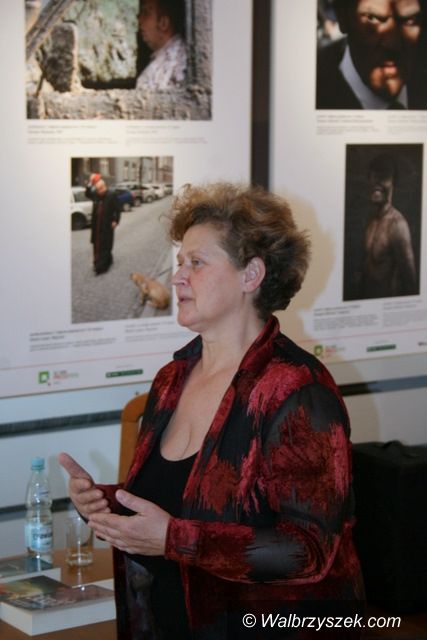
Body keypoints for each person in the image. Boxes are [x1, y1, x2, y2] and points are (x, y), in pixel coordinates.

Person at [59, 183, 365, 639]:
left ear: (251, 275)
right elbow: (181, 505)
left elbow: (308, 549)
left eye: (196, 263)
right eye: (180, 262)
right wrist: (106, 504)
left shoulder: (298, 390)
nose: (177, 277)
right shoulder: (171, 379)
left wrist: (173, 540)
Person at [316, 0, 427, 109]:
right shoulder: (315, 91)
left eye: (411, 20)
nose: (393, 44)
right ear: (342, 16)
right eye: (372, 18)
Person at [359, 154, 418, 298]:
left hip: (387, 304)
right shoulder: (370, 220)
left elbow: (410, 283)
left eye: (383, 177)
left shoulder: (397, 226)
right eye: (374, 176)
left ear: (393, 182)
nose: (376, 182)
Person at [136, 0, 187, 91]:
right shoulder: (168, 56)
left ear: (163, 23)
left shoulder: (179, 60)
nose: (139, 20)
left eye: (146, 13)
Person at [85, 173, 121, 275]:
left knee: (106, 245)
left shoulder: (112, 195)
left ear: (104, 186)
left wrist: (116, 220)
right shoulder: (96, 194)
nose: (100, 191)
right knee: (96, 245)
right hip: (96, 226)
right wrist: (90, 183)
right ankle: (99, 262)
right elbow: (87, 194)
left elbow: (117, 209)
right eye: (98, 189)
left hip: (107, 225)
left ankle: (102, 267)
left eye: (101, 189)